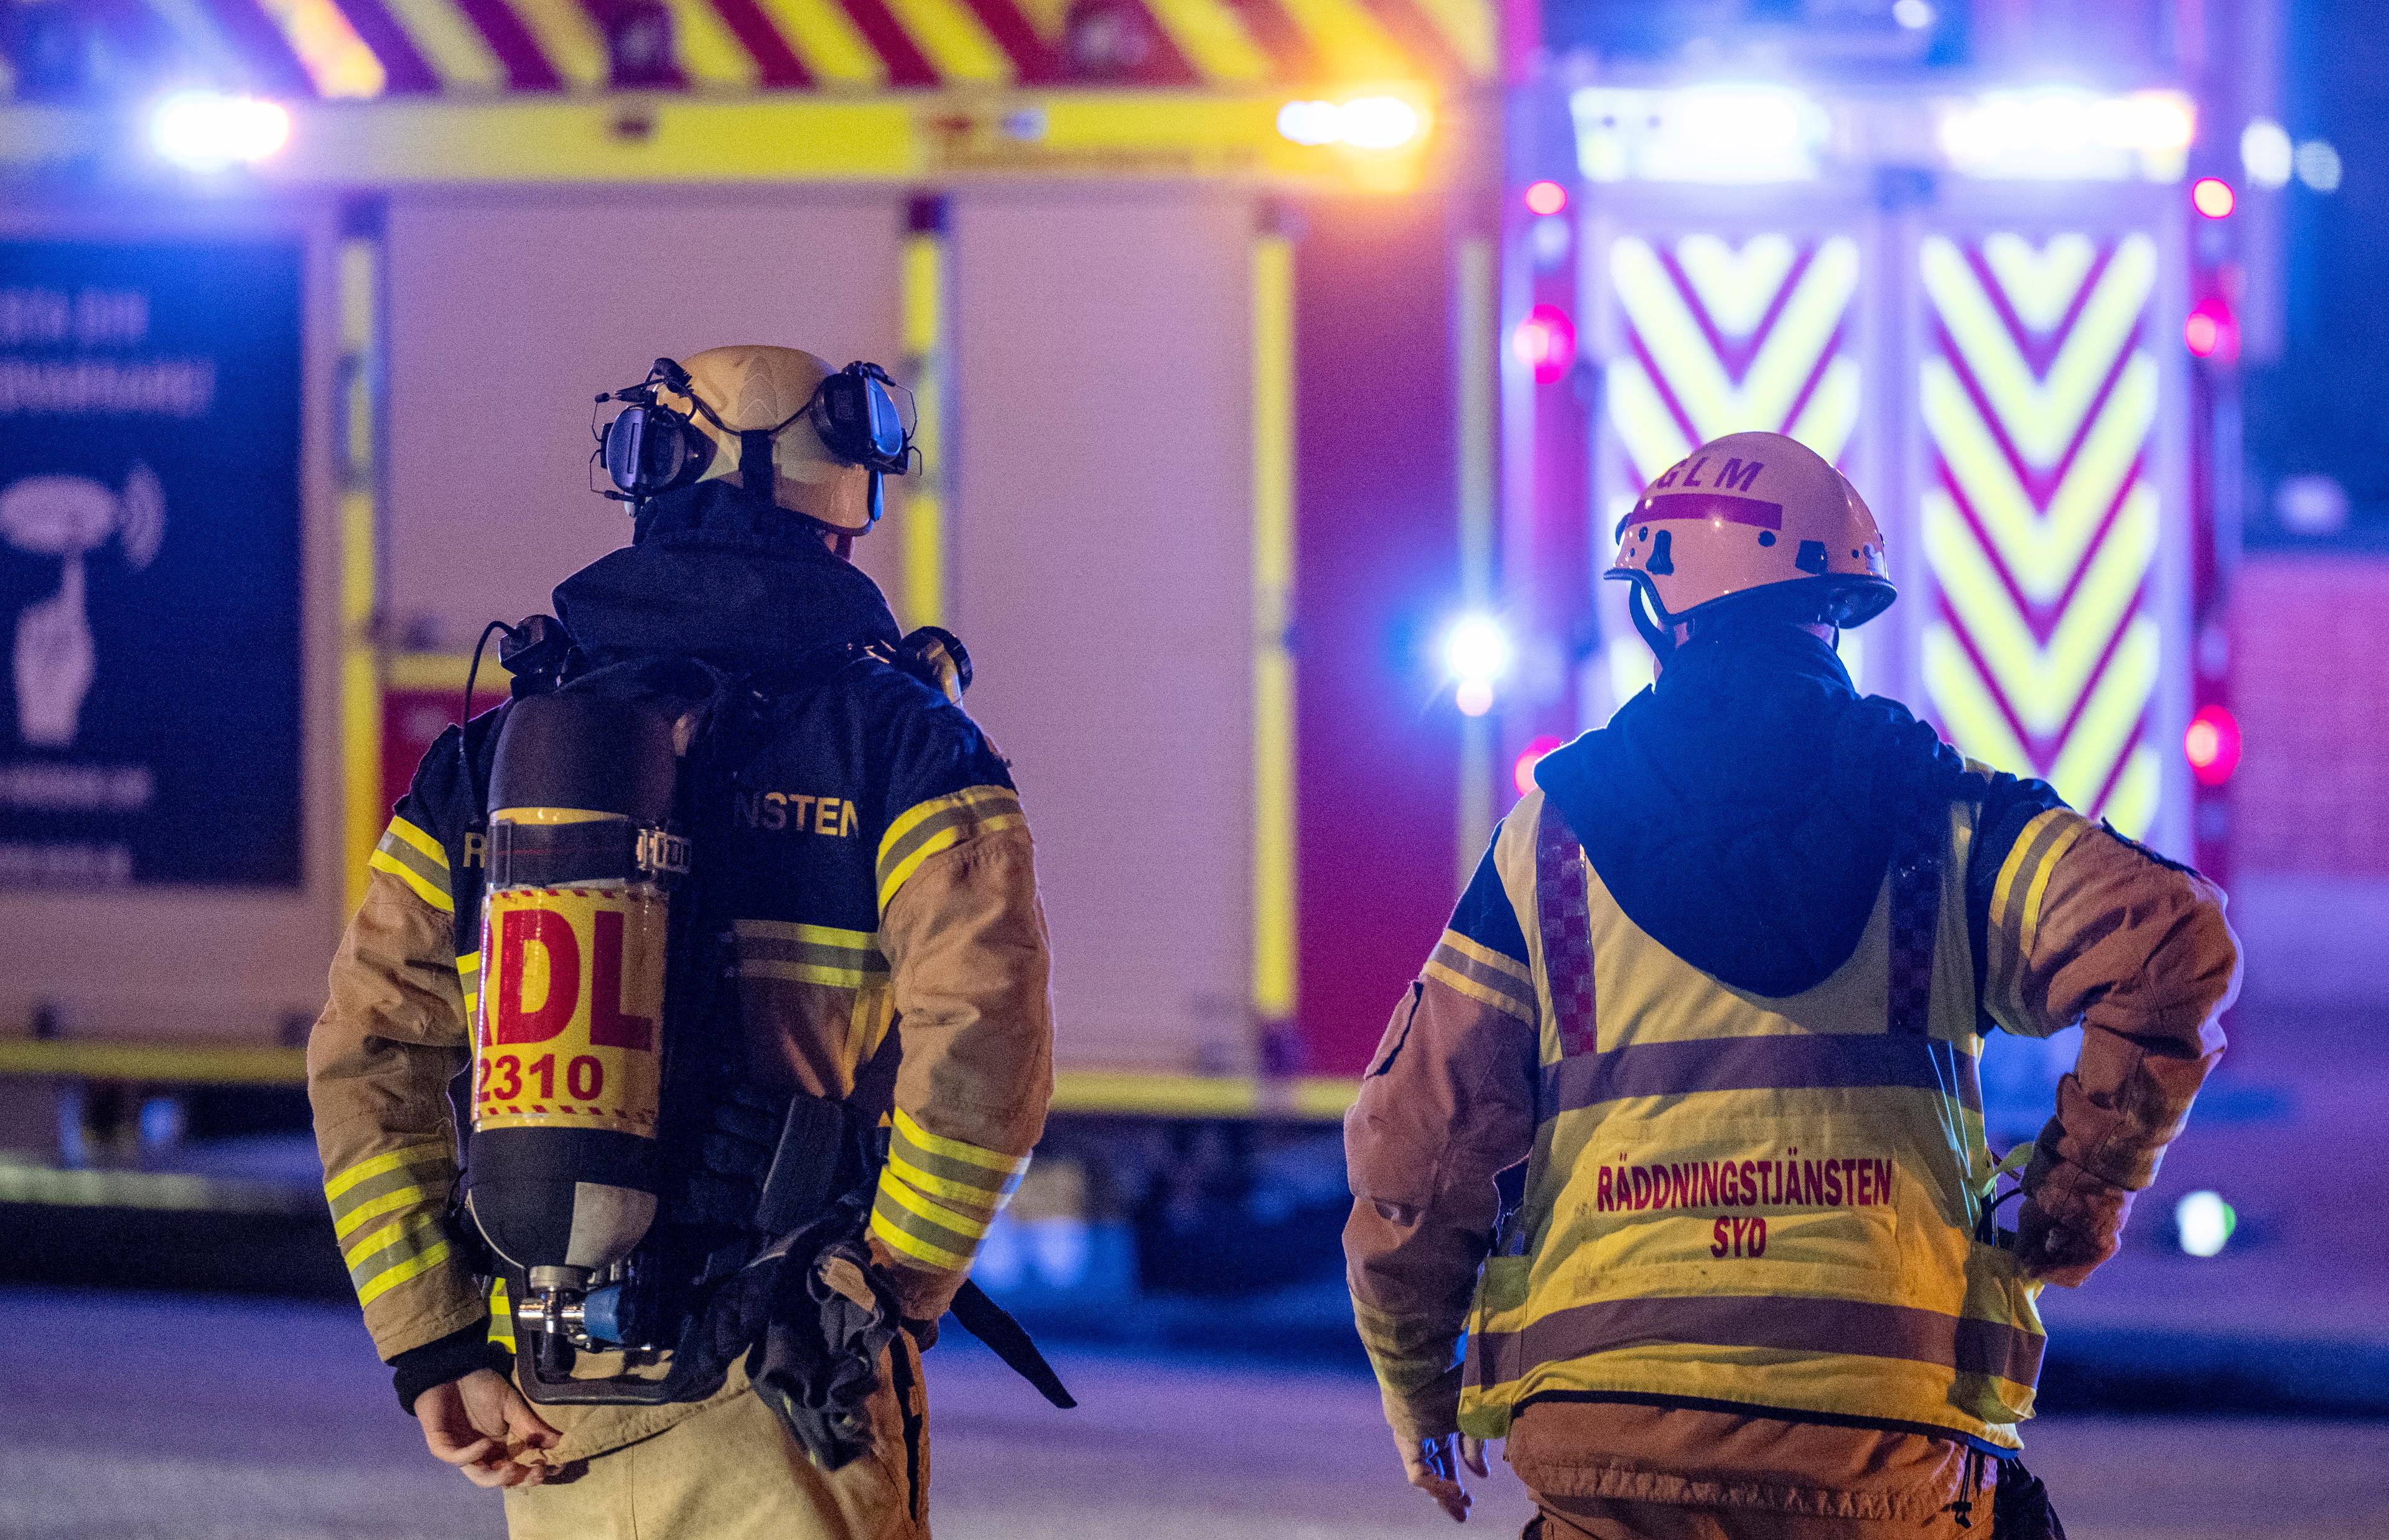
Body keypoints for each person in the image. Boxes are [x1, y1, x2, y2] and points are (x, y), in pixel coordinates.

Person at [1343, 431, 2240, 1539]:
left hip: (1608, 1447)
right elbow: (2173, 944)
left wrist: (1419, 1389)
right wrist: (2076, 1196)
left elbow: (1414, 1148)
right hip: (1888, 1456)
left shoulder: (1550, 847)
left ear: (1661, 612)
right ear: (1836, 612)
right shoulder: (1946, 819)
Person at [308, 345, 1054, 1538]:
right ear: (847, 503)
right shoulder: (907, 746)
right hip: (791, 1380)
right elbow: (984, 1055)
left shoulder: (496, 758)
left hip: (552, 1381)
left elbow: (368, 1055)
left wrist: (435, 1337)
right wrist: (886, 1294)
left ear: (648, 482)